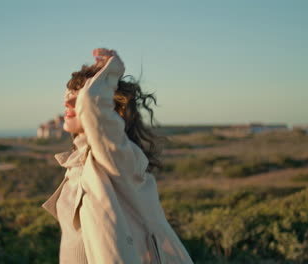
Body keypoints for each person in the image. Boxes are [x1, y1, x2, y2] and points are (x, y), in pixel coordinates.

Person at [42, 48, 194, 264]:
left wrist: (112, 69)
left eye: (77, 99)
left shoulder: (115, 159)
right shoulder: (79, 162)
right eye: (67, 96)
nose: (67, 104)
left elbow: (92, 104)